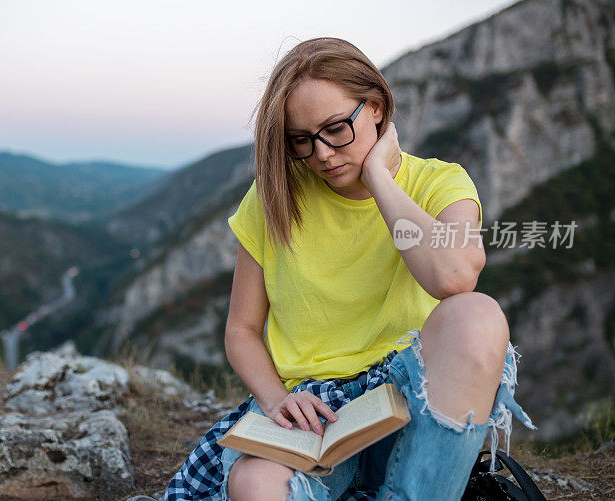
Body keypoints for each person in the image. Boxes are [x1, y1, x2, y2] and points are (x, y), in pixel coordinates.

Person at [162, 37, 535, 501]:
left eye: (337, 128)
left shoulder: (438, 182)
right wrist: (278, 400)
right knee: (254, 483)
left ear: (376, 108)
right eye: (301, 140)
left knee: (477, 316)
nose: (321, 154)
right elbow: (241, 328)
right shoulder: (273, 198)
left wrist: (379, 177)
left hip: (407, 407)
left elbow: (455, 276)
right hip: (317, 415)